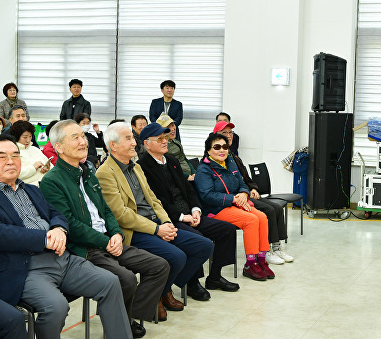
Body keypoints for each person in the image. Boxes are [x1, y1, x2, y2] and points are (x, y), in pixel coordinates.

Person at [0, 135, 133, 338]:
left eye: (15, 155)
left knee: (111, 282)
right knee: (56, 307)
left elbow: (56, 214)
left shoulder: (32, 189)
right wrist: (45, 238)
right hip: (25, 268)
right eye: (2, 157)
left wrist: (60, 230)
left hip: (62, 258)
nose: (10, 161)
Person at [40, 120, 170, 336]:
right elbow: (70, 224)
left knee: (159, 266)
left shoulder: (88, 171)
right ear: (59, 147)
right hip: (86, 248)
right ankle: (122, 320)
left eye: (83, 136)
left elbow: (106, 211)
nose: (83, 141)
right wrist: (106, 241)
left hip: (110, 240)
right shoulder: (52, 181)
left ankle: (125, 315)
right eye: (75, 138)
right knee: (126, 278)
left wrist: (117, 234)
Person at [96, 122, 214, 311]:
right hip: (134, 231)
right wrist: (158, 229)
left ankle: (162, 290)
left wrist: (166, 223)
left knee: (204, 246)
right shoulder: (105, 173)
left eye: (133, 138)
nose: (134, 142)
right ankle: (152, 298)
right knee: (176, 256)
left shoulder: (135, 167)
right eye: (128, 138)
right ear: (113, 146)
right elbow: (121, 215)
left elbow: (153, 200)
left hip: (157, 223)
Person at [137, 122, 239, 293]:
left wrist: (195, 210)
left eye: (166, 137)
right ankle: (192, 282)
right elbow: (157, 200)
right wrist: (182, 217)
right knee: (198, 239)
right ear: (147, 144)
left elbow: (188, 189)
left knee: (227, 230)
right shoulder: (142, 167)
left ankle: (214, 277)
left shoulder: (172, 161)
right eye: (160, 138)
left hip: (189, 213)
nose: (165, 141)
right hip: (170, 218)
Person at [195, 133, 274, 281]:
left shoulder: (230, 162)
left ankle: (261, 260)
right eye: (217, 147)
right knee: (251, 220)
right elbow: (207, 195)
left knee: (262, 217)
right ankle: (250, 264)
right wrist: (233, 199)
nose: (222, 150)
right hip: (216, 209)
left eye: (224, 147)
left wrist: (244, 194)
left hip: (236, 204)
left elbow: (242, 183)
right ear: (208, 151)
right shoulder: (203, 170)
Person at [213, 121, 293, 264]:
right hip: (236, 198)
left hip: (246, 193)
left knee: (277, 208)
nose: (228, 136)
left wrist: (253, 188)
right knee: (269, 210)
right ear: (215, 137)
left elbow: (244, 178)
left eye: (230, 133)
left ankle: (277, 247)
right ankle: (266, 250)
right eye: (224, 133)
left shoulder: (233, 156)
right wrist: (245, 192)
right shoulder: (215, 157)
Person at [8, 121, 53, 186]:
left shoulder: (35, 150)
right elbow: (13, 174)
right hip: (28, 189)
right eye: (25, 137)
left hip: (45, 185)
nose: (28, 140)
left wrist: (47, 169)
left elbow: (52, 167)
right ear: (17, 136)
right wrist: (33, 168)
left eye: (30, 136)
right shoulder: (12, 152)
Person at [157, 114, 196, 181]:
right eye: (168, 127)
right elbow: (169, 168)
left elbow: (184, 158)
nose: (172, 129)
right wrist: (186, 176)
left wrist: (193, 172)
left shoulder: (176, 141)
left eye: (172, 125)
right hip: (179, 179)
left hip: (190, 175)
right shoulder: (162, 147)